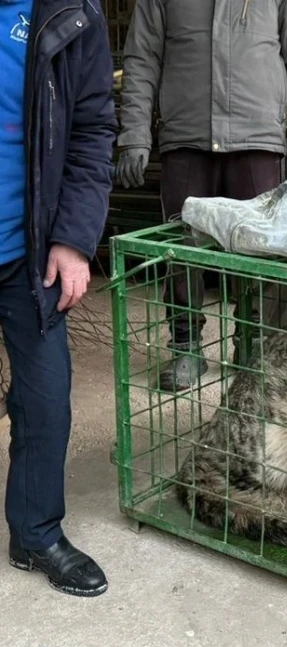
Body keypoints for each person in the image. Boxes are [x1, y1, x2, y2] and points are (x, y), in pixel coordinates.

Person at [116, 0, 287, 392]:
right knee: (180, 248)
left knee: (259, 250)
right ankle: (186, 347)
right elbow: (142, 58)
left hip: (256, 137)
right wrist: (134, 133)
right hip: (186, 136)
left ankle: (252, 346)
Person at [1, 0, 116, 596]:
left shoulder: (72, 12)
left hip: (28, 248)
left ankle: (36, 532)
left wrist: (73, 240)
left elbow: (93, 128)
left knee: (46, 401)